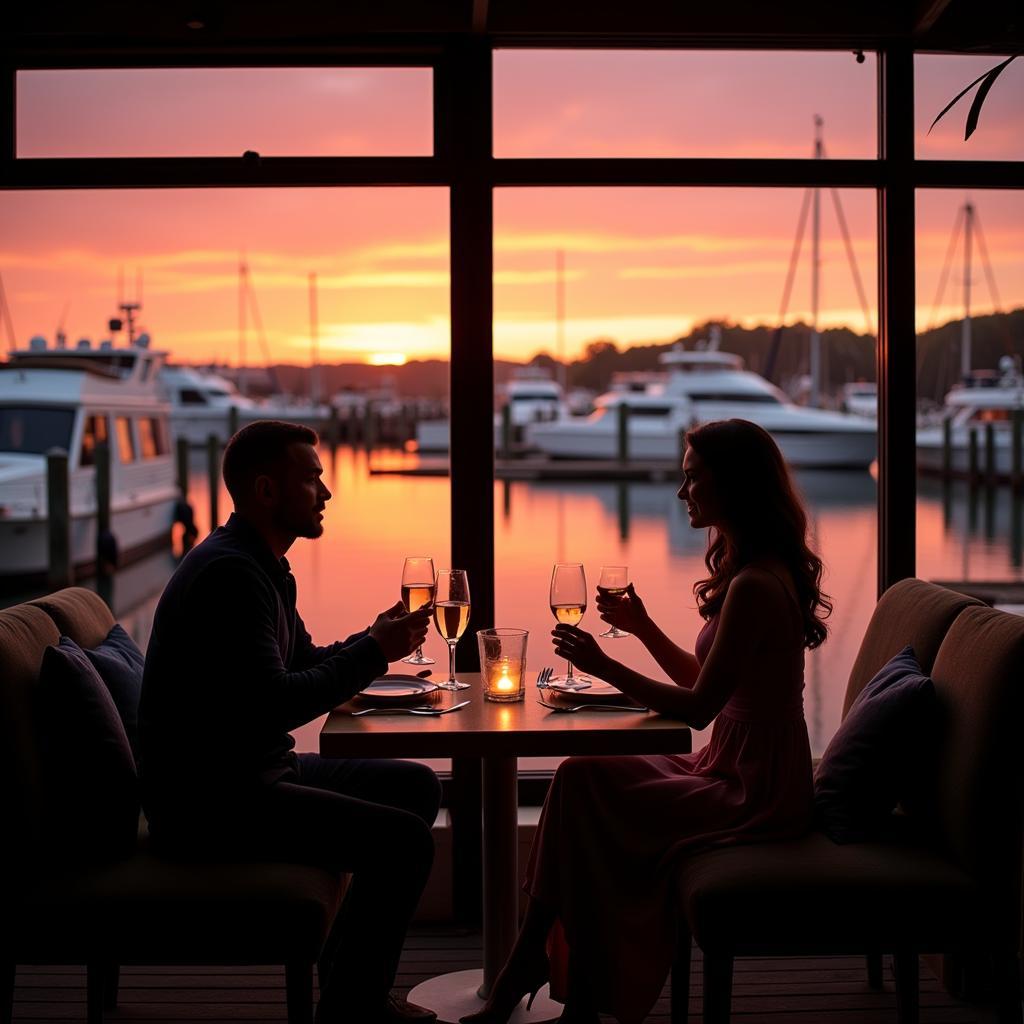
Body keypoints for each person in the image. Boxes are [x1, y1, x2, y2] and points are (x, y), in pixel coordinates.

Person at [463, 418, 831, 1024]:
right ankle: (552, 978)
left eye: (694, 480)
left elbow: (697, 708)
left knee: (583, 786)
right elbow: (701, 678)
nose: (683, 493)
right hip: (736, 764)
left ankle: (533, 971)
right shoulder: (758, 571)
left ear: (733, 485)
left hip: (753, 787)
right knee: (582, 783)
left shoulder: (758, 586)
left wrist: (606, 664)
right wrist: (641, 628)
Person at [139, 420, 441, 1024]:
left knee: (416, 787)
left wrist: (371, 638)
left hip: (251, 772)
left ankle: (345, 980)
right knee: (403, 842)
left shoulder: (262, 565)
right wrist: (374, 652)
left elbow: (301, 662)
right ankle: (353, 1008)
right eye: (312, 478)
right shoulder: (231, 575)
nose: (326, 492)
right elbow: (278, 702)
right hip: (212, 802)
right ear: (266, 490)